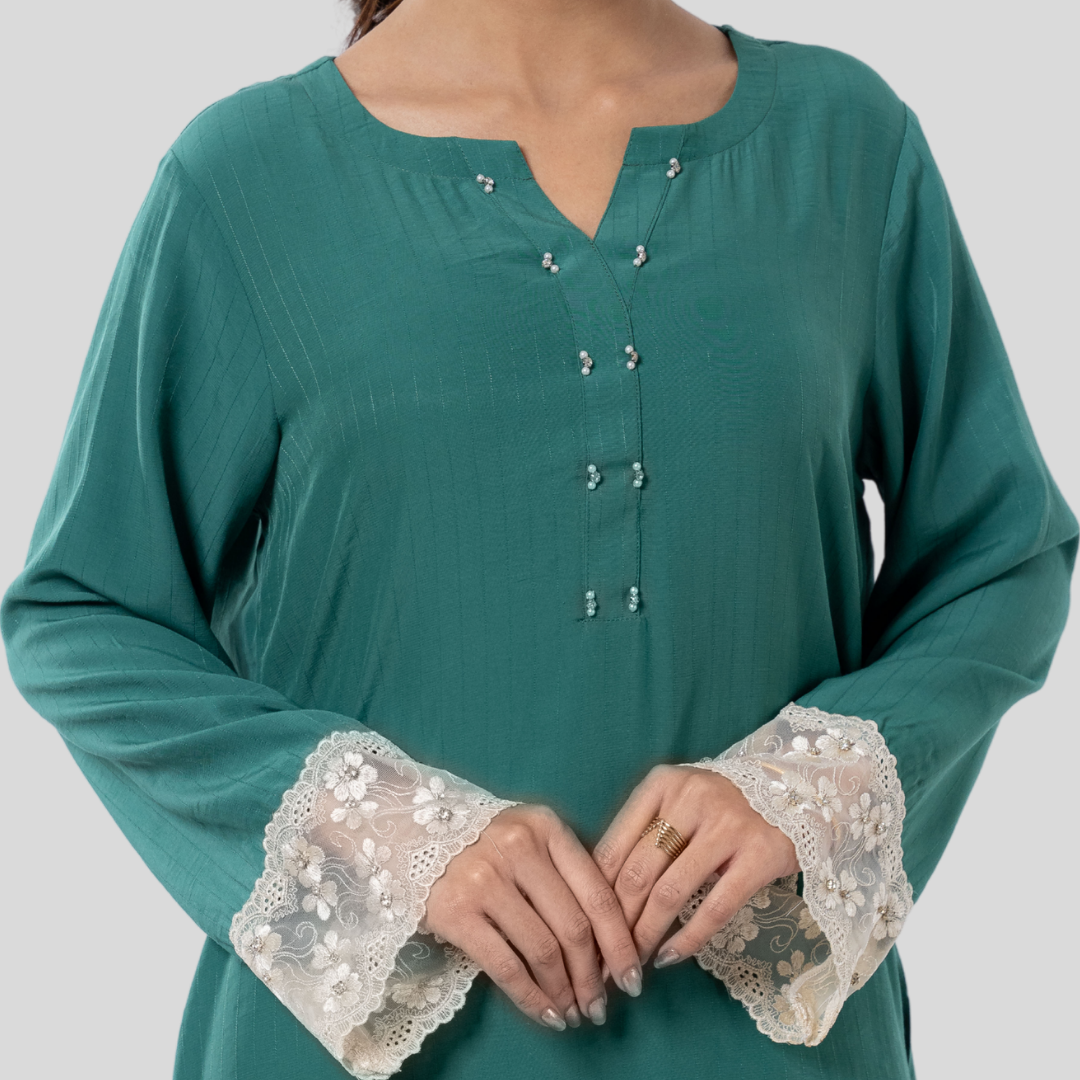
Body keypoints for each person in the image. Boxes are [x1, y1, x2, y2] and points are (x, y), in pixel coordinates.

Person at [2, 1, 1075, 1078]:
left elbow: (1000, 555)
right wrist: (392, 835)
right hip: (361, 1050)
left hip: (764, 1047)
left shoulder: (846, 145)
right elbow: (87, 613)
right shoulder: (246, 179)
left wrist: (809, 787)